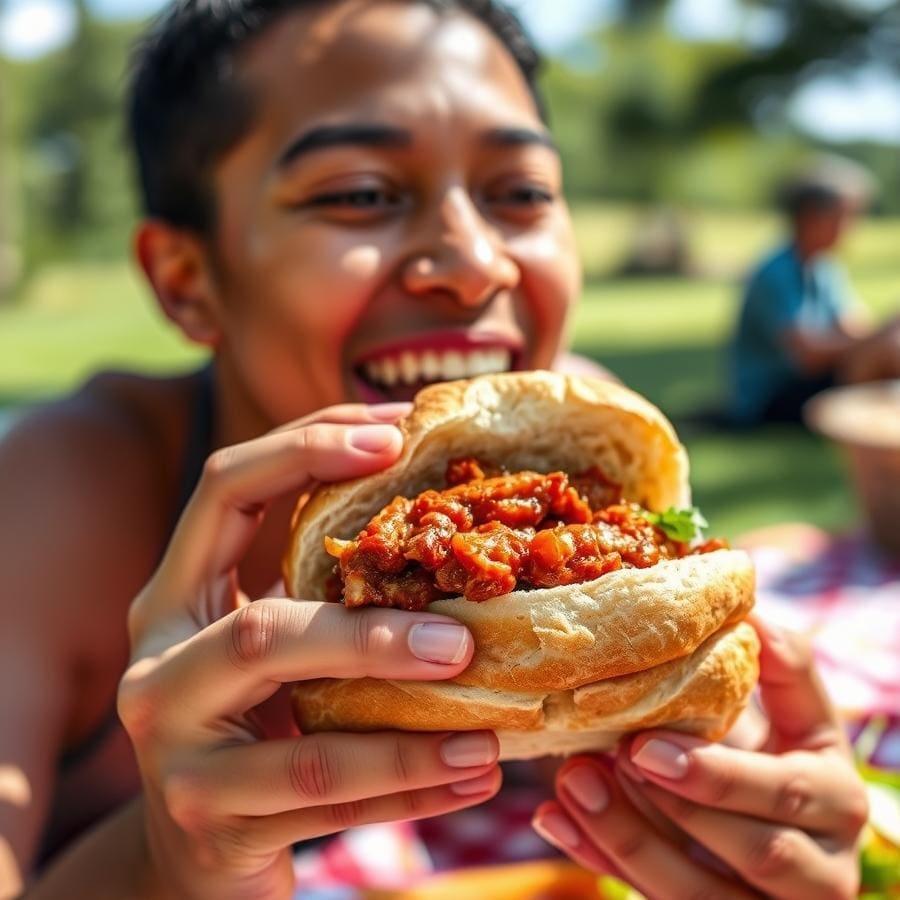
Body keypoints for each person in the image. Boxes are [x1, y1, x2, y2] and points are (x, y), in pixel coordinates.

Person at [0, 2, 866, 898]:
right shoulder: (62, 490)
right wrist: (170, 857)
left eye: (521, 192)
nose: (473, 261)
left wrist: (759, 824)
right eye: (361, 194)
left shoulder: (597, 435)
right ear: (188, 280)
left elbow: (677, 743)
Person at [727, 157, 876, 426]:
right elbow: (808, 356)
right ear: (811, 218)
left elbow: (854, 327)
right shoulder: (776, 271)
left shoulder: (824, 267)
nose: (851, 228)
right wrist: (875, 342)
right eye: (844, 217)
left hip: (805, 385)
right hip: (770, 398)